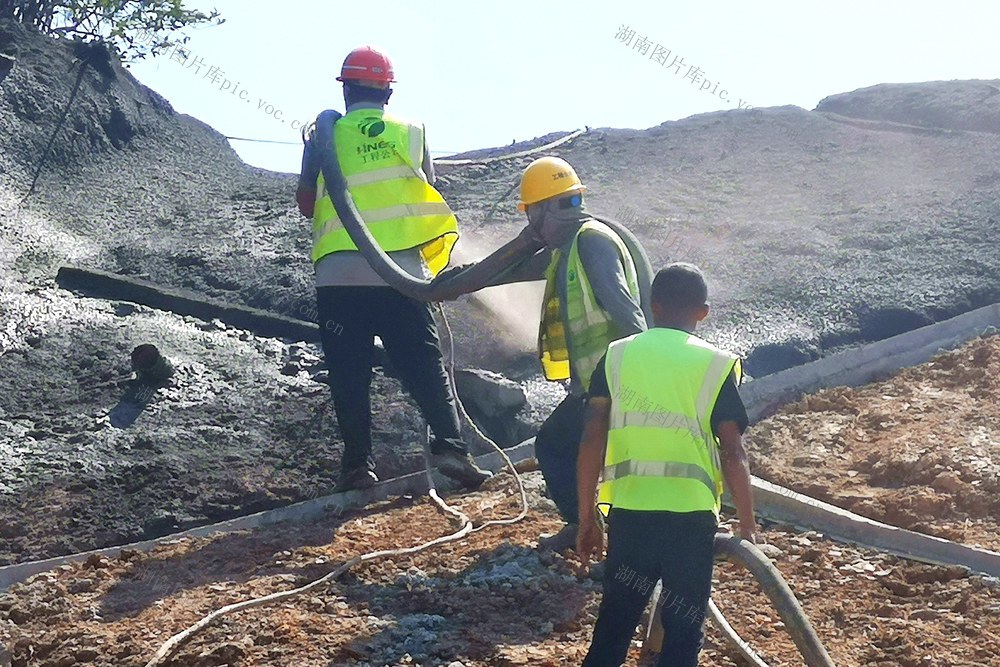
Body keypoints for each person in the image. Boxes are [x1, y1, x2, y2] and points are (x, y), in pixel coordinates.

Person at [295, 45, 491, 492]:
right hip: (400, 275)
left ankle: (357, 467)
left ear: (345, 90)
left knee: (349, 371)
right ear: (388, 92)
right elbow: (426, 187)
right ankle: (451, 447)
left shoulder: (322, 136)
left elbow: (306, 204)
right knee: (423, 362)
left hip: (338, 278)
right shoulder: (412, 131)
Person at [576, 262, 758, 667]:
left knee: (614, 625)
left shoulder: (617, 356)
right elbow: (733, 452)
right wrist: (747, 524)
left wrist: (587, 517)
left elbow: (591, 438)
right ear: (703, 312)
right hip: (690, 519)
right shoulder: (714, 364)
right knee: (683, 631)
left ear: (652, 305)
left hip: (631, 512)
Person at [516, 157, 648, 550]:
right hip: (597, 383)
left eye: (531, 214)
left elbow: (626, 311)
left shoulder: (591, 241)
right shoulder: (570, 247)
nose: (531, 226)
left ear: (547, 208)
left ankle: (593, 530)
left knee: (556, 446)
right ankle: (592, 527)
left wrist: (644, 377)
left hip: (616, 381)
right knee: (566, 446)